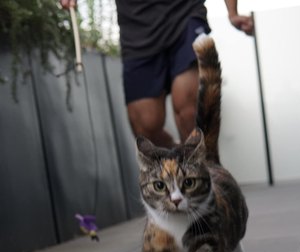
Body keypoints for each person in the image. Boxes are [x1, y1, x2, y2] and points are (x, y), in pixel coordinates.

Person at [60, 0, 253, 147]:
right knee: (146, 130)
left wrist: (232, 13)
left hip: (184, 16)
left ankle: (202, 186)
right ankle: (178, 162)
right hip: (137, 31)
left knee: (189, 111)